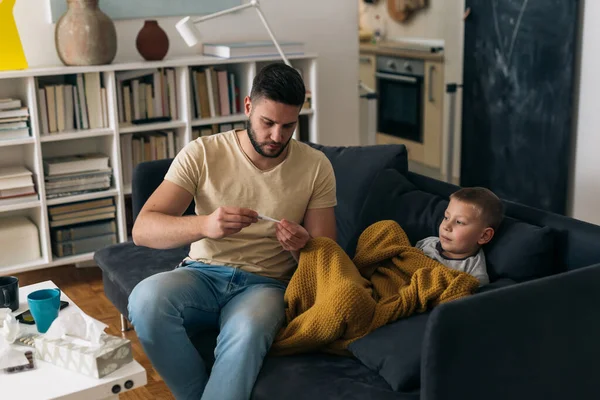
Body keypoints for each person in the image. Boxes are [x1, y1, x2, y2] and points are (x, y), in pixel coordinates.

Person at [127, 63, 337, 400]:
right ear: (248, 107)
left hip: (267, 285)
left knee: (248, 329)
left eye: (288, 126)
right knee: (145, 299)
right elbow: (143, 229)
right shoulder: (203, 152)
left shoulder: (316, 166)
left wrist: (301, 246)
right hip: (201, 274)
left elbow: (327, 255)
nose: (277, 137)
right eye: (267, 123)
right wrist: (205, 225)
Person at [415, 187, 504, 286]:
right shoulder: (428, 242)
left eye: (459, 222)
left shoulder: (473, 273)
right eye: (446, 217)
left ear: (484, 236)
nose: (446, 226)